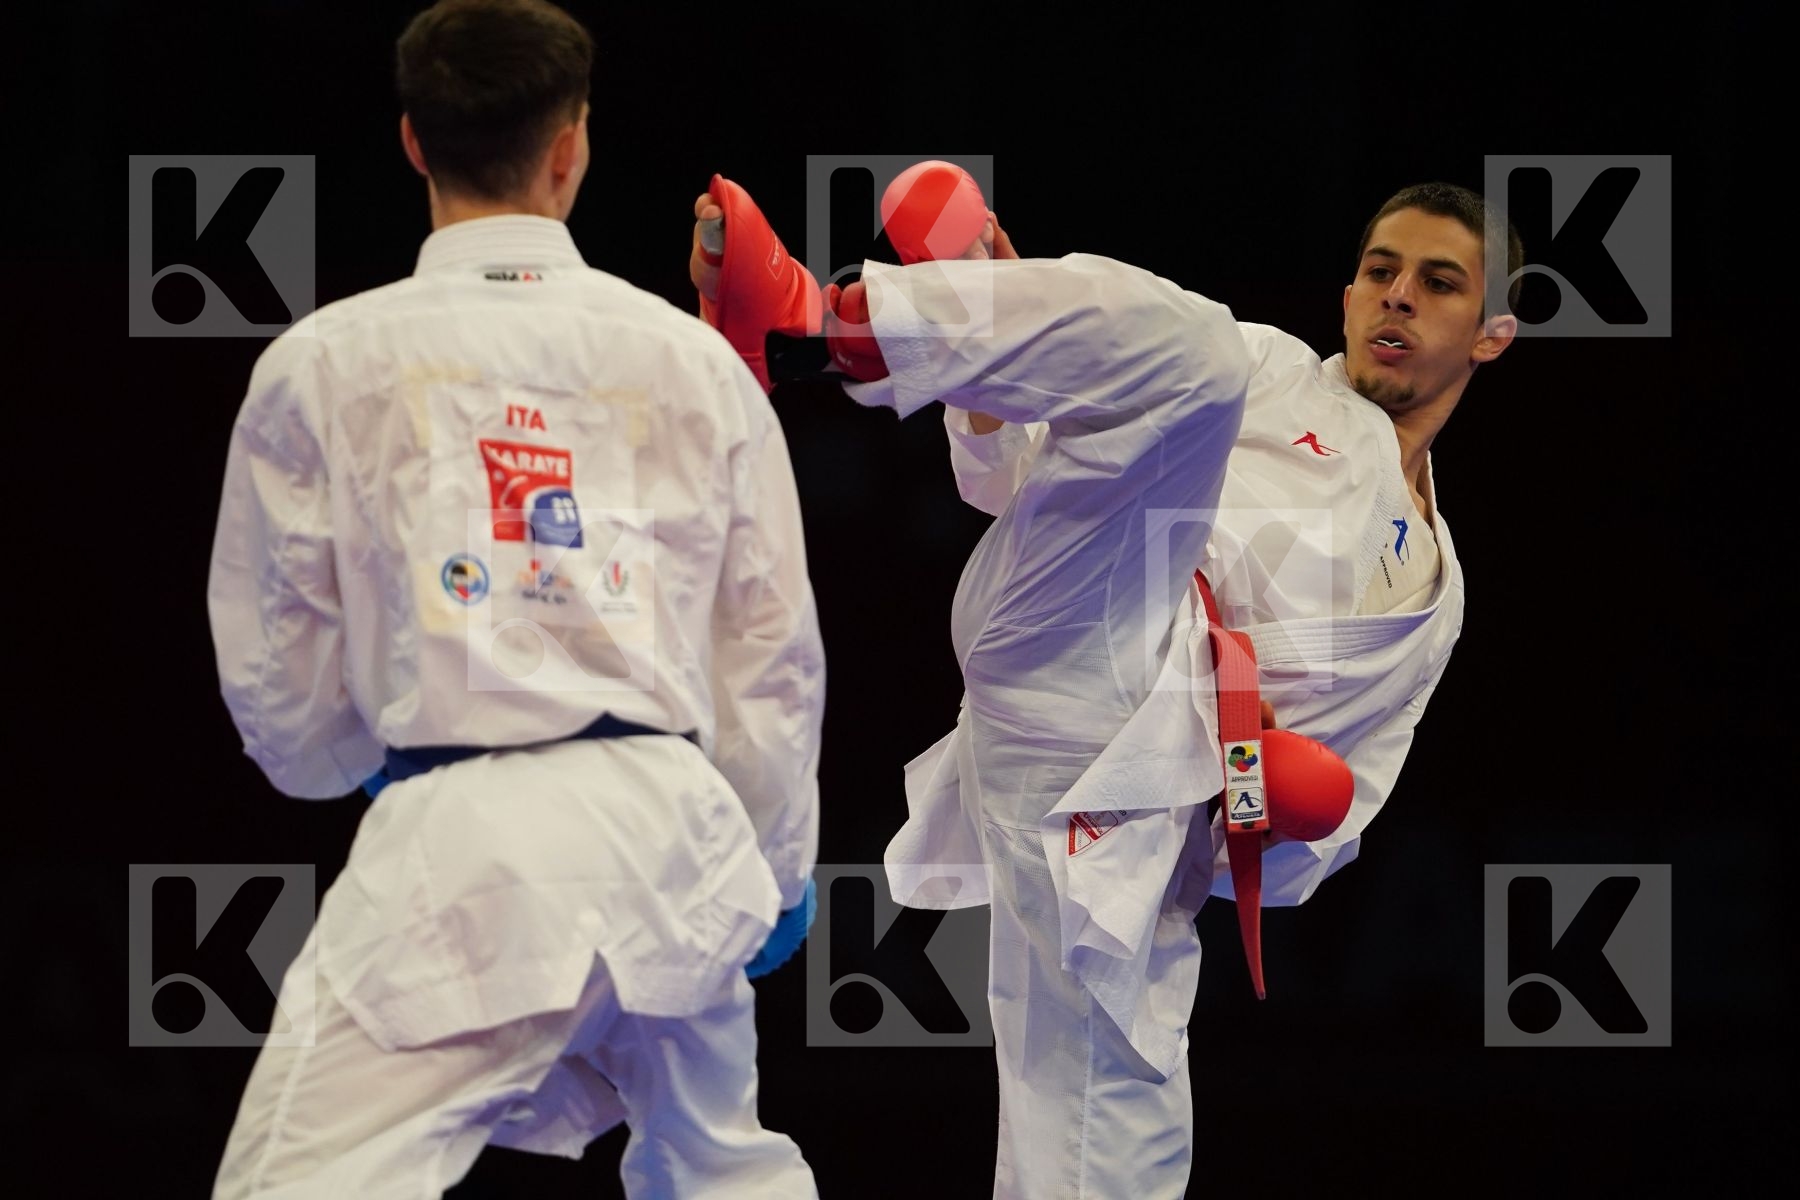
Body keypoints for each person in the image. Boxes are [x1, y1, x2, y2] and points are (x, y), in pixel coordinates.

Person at [689, 167, 1517, 1198]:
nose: (1397, 296)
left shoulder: (1437, 597)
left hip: (1140, 809)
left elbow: (1309, 847)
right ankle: (828, 327)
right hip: (1085, 626)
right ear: (1347, 295)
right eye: (1379, 271)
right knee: (1195, 346)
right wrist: (999, 371)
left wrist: (1264, 795)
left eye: (1438, 282)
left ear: (1492, 334)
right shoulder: (1265, 367)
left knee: (1104, 1147)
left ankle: (980, 319)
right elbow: (1010, 480)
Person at [207, 3, 824, 1196]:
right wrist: (774, 869)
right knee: (721, 1173)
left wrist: (363, 756)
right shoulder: (693, 361)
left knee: (298, 1181)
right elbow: (770, 656)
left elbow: (281, 684)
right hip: (673, 832)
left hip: (465, 838)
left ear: (412, 141)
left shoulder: (320, 363)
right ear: (570, 146)